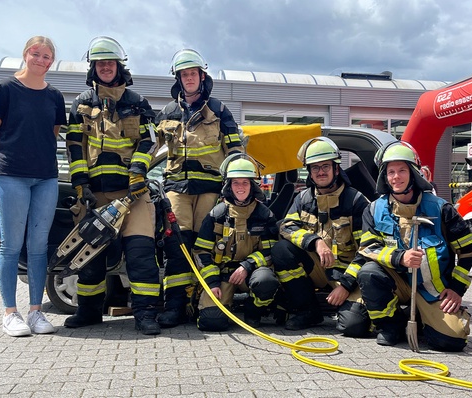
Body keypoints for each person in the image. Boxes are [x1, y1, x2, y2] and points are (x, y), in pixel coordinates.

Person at [64, 36, 161, 335]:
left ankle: (145, 315)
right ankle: (89, 312)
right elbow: (74, 145)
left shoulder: (137, 103)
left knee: (141, 253)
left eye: (110, 62)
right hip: (96, 193)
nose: (106, 67)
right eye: (100, 63)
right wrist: (81, 184)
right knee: (90, 256)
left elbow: (150, 140)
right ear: (93, 68)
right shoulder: (81, 103)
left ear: (120, 66)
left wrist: (137, 171)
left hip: (134, 193)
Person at [357, 141, 472, 350]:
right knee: (368, 273)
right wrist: (399, 258)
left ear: (414, 173)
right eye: (391, 172)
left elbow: (471, 253)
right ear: (384, 177)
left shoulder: (441, 209)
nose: (396, 177)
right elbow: (369, 247)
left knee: (452, 340)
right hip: (395, 283)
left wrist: (457, 289)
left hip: (431, 289)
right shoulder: (374, 209)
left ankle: (424, 319)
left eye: (402, 170)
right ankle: (391, 326)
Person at [0, 36, 66, 337]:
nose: (41, 60)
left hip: (45, 176)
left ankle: (35, 313)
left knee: (39, 246)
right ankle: (10, 313)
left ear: (51, 61)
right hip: (11, 174)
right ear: (25, 54)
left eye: (47, 56)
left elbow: (51, 133)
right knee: (11, 244)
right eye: (36, 54)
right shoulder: (5, 89)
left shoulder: (55, 96)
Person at [155, 48, 243, 328]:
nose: (189, 78)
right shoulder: (167, 113)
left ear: (201, 77)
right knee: (177, 245)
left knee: (203, 245)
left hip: (209, 188)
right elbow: (151, 149)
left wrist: (235, 181)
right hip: (176, 188)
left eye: (193, 73)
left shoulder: (219, 110)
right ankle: (175, 306)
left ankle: (202, 303)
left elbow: (235, 150)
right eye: (184, 74)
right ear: (178, 79)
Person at [271, 137, 371, 336]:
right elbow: (287, 226)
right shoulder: (303, 199)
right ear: (309, 172)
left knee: (354, 326)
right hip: (318, 267)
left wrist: (345, 285)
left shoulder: (356, 201)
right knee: (282, 250)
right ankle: (307, 310)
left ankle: (347, 307)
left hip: (348, 272)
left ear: (336, 168)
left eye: (326, 166)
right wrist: (315, 242)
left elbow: (367, 250)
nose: (321, 172)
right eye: (315, 168)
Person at [191, 154, 279, 331]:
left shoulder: (264, 215)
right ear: (228, 186)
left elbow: (270, 252)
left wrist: (247, 266)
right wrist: (213, 283)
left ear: (252, 186)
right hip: (222, 275)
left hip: (251, 274)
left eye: (245, 182)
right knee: (212, 322)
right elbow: (201, 253)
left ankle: (253, 311)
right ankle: (222, 306)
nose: (240, 187)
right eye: (235, 183)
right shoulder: (216, 215)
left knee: (266, 281)